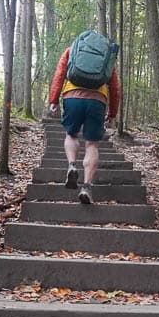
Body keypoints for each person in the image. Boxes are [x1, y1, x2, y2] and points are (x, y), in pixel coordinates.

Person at [48, 34, 121, 205]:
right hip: (98, 100)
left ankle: (72, 165)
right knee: (92, 143)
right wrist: (112, 113)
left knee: (71, 135)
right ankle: (87, 186)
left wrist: (53, 100)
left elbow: (59, 75)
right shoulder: (106, 56)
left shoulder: (72, 50)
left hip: (72, 97)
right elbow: (115, 87)